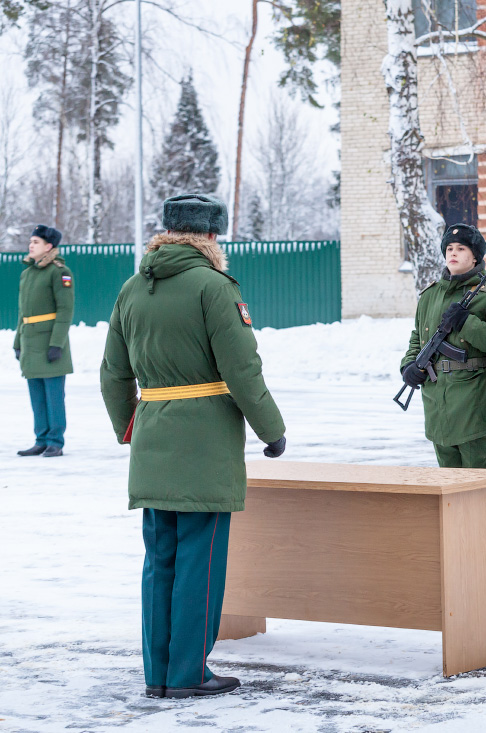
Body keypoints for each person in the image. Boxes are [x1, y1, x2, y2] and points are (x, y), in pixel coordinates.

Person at [100, 194, 286, 698]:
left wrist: (130, 427)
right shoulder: (213, 286)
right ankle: (188, 674)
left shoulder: (133, 287)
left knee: (159, 561)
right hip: (204, 441)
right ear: (209, 236)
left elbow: (114, 373)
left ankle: (158, 675)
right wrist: (271, 429)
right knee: (199, 565)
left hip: (153, 435)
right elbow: (241, 367)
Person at [400, 224, 486, 468]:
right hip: (437, 397)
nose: (453, 252)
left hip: (473, 396)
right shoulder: (430, 295)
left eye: (461, 248)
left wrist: (466, 322)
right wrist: (409, 364)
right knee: (447, 480)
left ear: (475, 257)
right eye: (449, 248)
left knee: (475, 480)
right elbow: (418, 336)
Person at [14, 225, 73, 458]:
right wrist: (17, 342)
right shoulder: (27, 273)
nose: (31, 245)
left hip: (49, 342)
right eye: (31, 241)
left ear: (49, 246)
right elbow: (22, 312)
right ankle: (41, 439)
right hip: (30, 342)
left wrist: (57, 344)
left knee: (54, 396)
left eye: (36, 242)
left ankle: (55, 441)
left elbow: (66, 310)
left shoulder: (59, 271)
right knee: (37, 395)